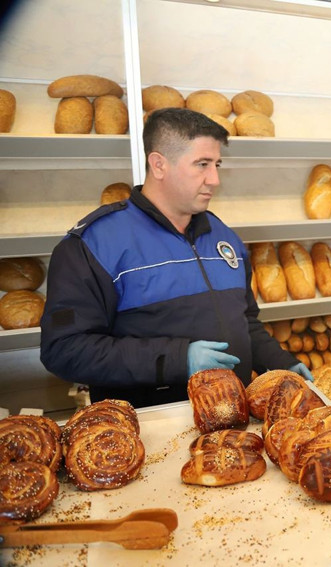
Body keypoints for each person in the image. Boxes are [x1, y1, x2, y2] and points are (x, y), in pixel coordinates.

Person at [40, 108, 311, 408]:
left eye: (217, 164)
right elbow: (64, 350)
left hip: (233, 418)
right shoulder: (94, 245)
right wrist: (178, 359)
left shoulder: (224, 238)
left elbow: (245, 322)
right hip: (151, 434)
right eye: (202, 164)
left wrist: (281, 363)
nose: (215, 179)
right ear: (159, 165)